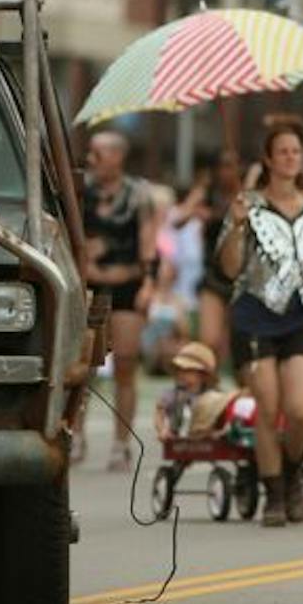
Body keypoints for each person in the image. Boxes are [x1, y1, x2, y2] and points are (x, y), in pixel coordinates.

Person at [216, 115, 303, 528]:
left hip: (297, 316)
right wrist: (236, 226)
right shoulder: (248, 206)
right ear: (268, 158)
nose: (290, 158)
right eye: (282, 151)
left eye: (296, 151)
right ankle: (275, 493)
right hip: (254, 315)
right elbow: (229, 269)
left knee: (298, 410)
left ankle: (293, 469)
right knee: (268, 407)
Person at [81, 130, 157, 472]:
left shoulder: (138, 195)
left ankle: (121, 443)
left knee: (125, 364)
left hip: (127, 284)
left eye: (98, 154)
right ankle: (76, 434)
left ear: (117, 156)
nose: (91, 160)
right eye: (90, 153)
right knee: (83, 366)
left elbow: (149, 244)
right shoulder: (82, 191)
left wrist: (149, 284)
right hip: (90, 285)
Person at [171, 149, 243, 369]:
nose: (226, 172)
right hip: (213, 274)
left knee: (237, 344)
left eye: (231, 166)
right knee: (209, 340)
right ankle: (210, 382)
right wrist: (196, 211)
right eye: (222, 166)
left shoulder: (246, 195)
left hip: (243, 275)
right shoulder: (207, 192)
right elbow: (178, 220)